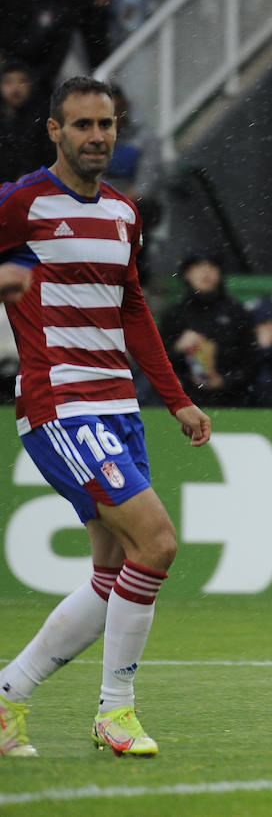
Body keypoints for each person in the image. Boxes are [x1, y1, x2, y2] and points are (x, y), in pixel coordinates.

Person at [0, 76, 212, 758]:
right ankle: (115, 711)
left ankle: (7, 697)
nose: (98, 136)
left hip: (118, 406)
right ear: (54, 132)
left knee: (114, 569)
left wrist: (175, 397)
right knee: (159, 543)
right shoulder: (22, 203)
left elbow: (131, 310)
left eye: (107, 124)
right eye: (83, 125)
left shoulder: (124, 212)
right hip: (58, 403)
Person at [159, 252, 257, 407]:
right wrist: (177, 348)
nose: (206, 272)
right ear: (187, 274)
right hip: (185, 400)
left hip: (234, 399)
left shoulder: (237, 312)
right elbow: (156, 362)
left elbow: (252, 360)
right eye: (198, 267)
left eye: (211, 267)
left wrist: (225, 380)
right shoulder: (174, 314)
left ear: (220, 273)